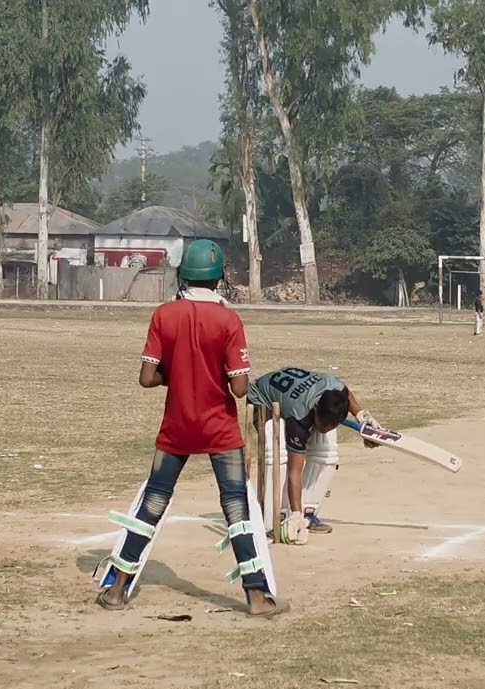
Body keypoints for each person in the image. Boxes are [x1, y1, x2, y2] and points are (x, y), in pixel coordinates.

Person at [96, 239, 284, 617]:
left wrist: (178, 375)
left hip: (176, 427)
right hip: (220, 429)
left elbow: (147, 378)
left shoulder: (164, 316)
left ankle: (117, 588)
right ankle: (256, 597)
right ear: (218, 279)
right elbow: (240, 387)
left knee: (152, 502)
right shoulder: (229, 320)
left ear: (183, 276)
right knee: (236, 506)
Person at [247, 367, 381, 542]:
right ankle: (275, 519)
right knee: (278, 454)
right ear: (316, 409)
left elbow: (345, 393)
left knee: (326, 450)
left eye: (331, 425)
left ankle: (307, 514)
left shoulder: (335, 390)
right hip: (262, 398)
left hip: (296, 395)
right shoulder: (299, 415)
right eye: (323, 423)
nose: (324, 429)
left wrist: (362, 416)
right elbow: (294, 471)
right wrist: (295, 514)